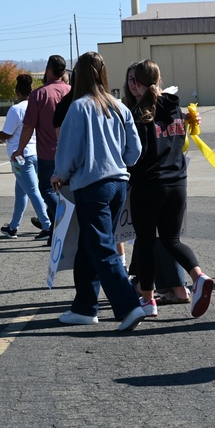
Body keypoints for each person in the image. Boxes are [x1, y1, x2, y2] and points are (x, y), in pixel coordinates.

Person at [52, 52, 146, 331]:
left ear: (79, 75)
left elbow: (67, 152)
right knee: (90, 245)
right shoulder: (120, 106)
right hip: (119, 183)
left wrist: (60, 174)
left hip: (91, 185)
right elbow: (135, 151)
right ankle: (84, 306)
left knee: (101, 246)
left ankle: (129, 305)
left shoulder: (78, 107)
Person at [123, 59, 214, 318]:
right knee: (172, 240)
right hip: (177, 182)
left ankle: (148, 301)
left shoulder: (140, 114)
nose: (131, 85)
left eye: (134, 81)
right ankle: (199, 277)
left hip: (149, 185)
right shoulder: (175, 108)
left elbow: (135, 154)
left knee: (146, 242)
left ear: (140, 83)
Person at [0, 74, 51, 240]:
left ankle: (48, 226)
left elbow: (6, 133)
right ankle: (13, 227)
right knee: (21, 193)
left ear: (17, 92)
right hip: (36, 153)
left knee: (33, 191)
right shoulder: (36, 106)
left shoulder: (16, 109)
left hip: (21, 156)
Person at [19, 55, 71, 235]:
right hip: (71, 152)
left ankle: (64, 219)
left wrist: (19, 149)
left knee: (46, 189)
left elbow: (28, 127)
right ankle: (56, 231)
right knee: (68, 190)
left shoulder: (39, 94)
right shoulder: (72, 91)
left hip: (48, 154)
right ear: (64, 72)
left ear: (48, 70)